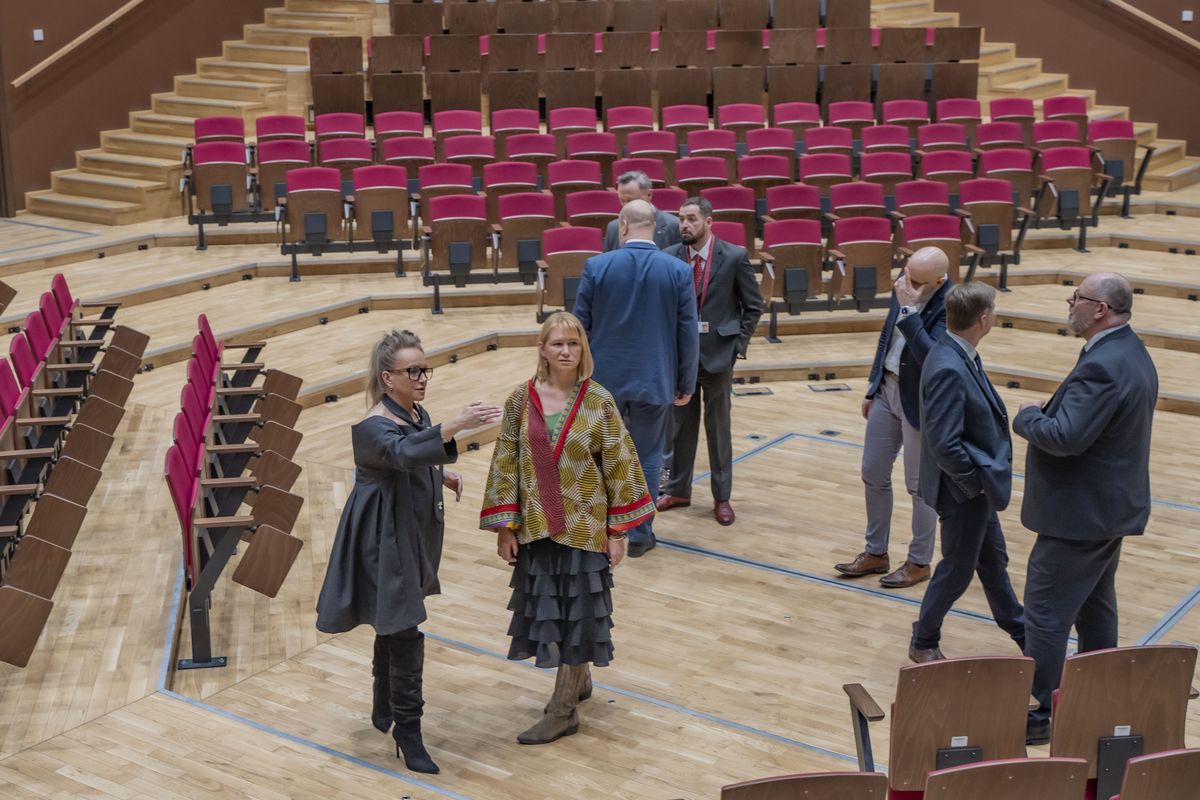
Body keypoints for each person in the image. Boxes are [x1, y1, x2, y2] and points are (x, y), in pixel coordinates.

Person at [315, 330, 502, 774]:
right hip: (384, 539)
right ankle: (408, 731)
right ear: (388, 378)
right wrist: (456, 425)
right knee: (405, 628)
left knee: (393, 617)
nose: (421, 378)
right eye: (412, 371)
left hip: (409, 533)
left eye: (424, 369)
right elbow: (398, 453)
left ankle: (383, 700)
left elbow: (415, 456)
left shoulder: (416, 412)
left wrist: (440, 475)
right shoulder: (373, 425)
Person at [480, 312, 655, 745]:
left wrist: (618, 533)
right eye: (557, 343)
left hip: (585, 529)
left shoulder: (599, 400)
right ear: (542, 348)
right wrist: (505, 528)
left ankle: (563, 712)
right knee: (556, 611)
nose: (565, 351)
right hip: (537, 526)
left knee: (579, 613)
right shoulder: (520, 400)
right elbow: (505, 463)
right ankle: (579, 680)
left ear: (583, 349)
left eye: (573, 344)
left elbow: (620, 465)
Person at [1013, 273, 1158, 745]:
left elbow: (1064, 437)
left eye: (1077, 297)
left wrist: (1028, 415)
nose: (1069, 302)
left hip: (1078, 517)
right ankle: (1096, 697)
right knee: (1096, 609)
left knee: (1045, 614)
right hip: (1105, 510)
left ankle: (1041, 712)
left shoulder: (1104, 365)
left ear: (1100, 309)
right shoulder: (1129, 350)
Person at [573, 199, 699, 557]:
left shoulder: (597, 266)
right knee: (648, 457)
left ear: (623, 225)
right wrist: (686, 383)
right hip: (655, 380)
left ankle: (600, 529)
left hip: (603, 382)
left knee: (600, 454)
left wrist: (574, 379)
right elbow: (688, 333)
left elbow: (578, 329)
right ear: (656, 226)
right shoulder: (678, 271)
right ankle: (640, 535)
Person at [909, 282, 1025, 663]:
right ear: (984, 320)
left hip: (975, 489)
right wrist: (974, 484)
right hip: (962, 491)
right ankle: (924, 640)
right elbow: (944, 443)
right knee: (957, 571)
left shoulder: (958, 352)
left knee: (993, 563)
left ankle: (1023, 632)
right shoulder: (948, 365)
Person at [834, 247, 949, 588]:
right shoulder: (905, 286)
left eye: (916, 282)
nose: (906, 284)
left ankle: (919, 561)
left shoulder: (952, 303)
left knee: (919, 486)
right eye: (906, 274)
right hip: (887, 389)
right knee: (872, 472)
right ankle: (875, 552)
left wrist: (910, 309)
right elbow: (887, 337)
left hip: (921, 401)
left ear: (939, 282)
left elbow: (932, 356)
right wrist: (873, 387)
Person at [655, 196, 763, 526]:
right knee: (679, 429)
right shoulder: (669, 256)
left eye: (691, 219)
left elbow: (753, 306)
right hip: (680, 360)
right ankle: (679, 490)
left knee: (718, 430)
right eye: (680, 219)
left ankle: (721, 497)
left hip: (718, 356)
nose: (684, 225)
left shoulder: (734, 256)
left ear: (708, 221)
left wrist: (737, 346)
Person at [602, 170, 681, 252]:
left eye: (631, 200)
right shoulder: (613, 227)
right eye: (622, 200)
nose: (626, 206)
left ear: (649, 195)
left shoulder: (674, 225)